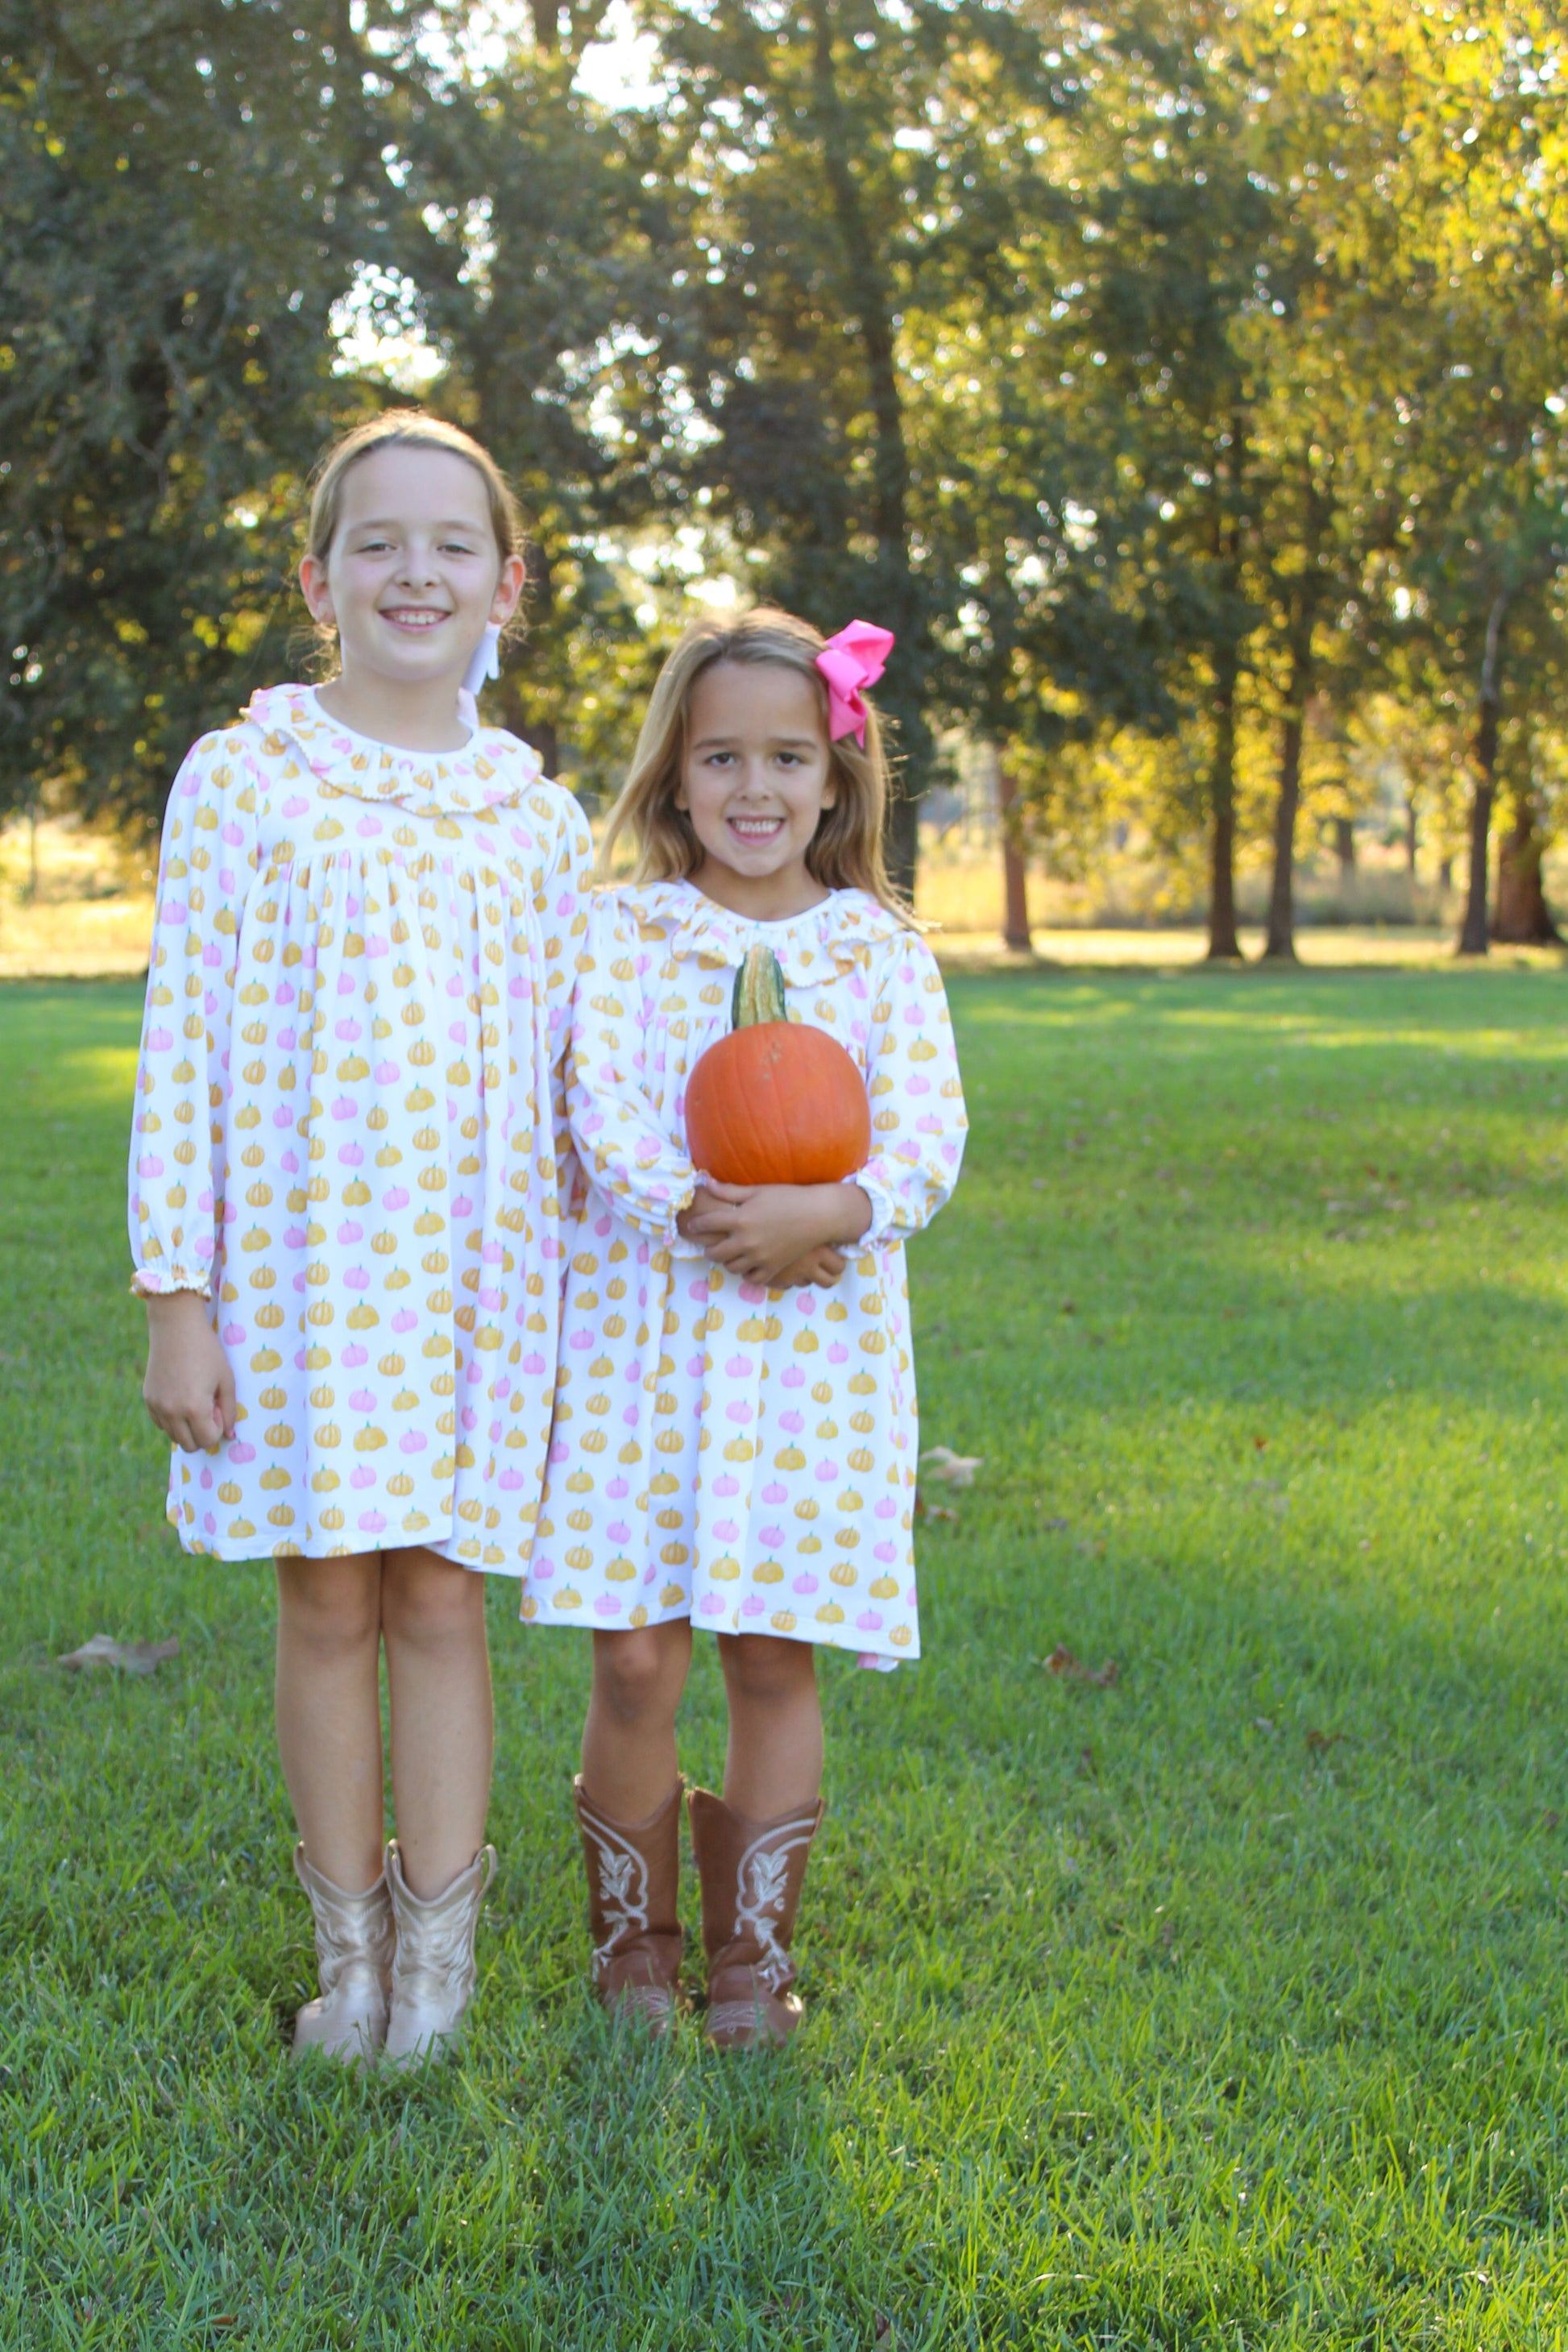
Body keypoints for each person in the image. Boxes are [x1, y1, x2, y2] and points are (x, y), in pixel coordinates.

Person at [129, 411, 591, 2065]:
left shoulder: (537, 821)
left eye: (452, 543)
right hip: (299, 1274)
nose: (416, 570)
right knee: (326, 1598)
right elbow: (184, 1042)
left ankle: (439, 1974)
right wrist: (178, 1296)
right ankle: (351, 1965)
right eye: (377, 541)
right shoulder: (245, 778)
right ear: (319, 580)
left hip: (478, 1280)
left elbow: (572, 1076)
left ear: (506, 585)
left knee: (443, 1601)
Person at [529, 608, 967, 2047]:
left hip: (813, 1359)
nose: (755, 787)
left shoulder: (879, 953)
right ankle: (633, 1948)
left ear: (836, 779)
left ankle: (749, 1960)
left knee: (773, 1651)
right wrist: (711, 1213)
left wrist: (835, 1209)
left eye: (787, 757)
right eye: (721, 757)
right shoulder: (620, 933)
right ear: (675, 774)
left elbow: (928, 1137)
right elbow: (598, 1111)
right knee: (635, 1658)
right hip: (645, 1344)